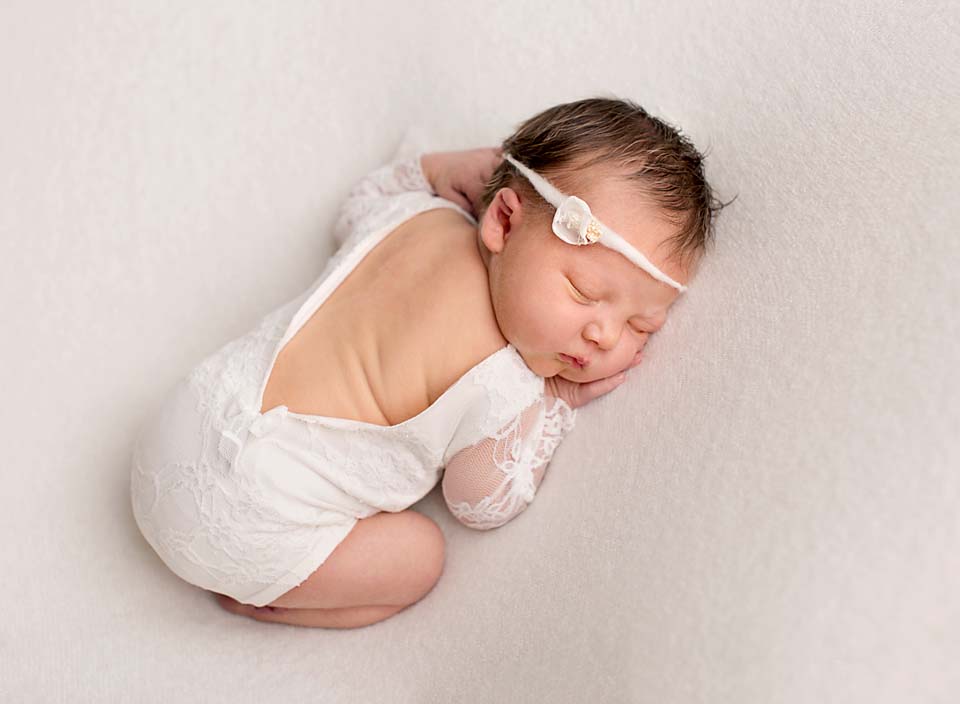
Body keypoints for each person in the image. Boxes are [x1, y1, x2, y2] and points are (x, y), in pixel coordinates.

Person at [130, 96, 728, 629]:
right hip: (247, 527)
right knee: (422, 559)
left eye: (639, 326)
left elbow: (356, 206)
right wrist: (555, 406)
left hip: (178, 427)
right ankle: (275, 602)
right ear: (503, 220)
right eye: (582, 291)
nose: (602, 333)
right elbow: (479, 501)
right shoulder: (506, 383)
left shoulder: (418, 215)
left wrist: (433, 171)